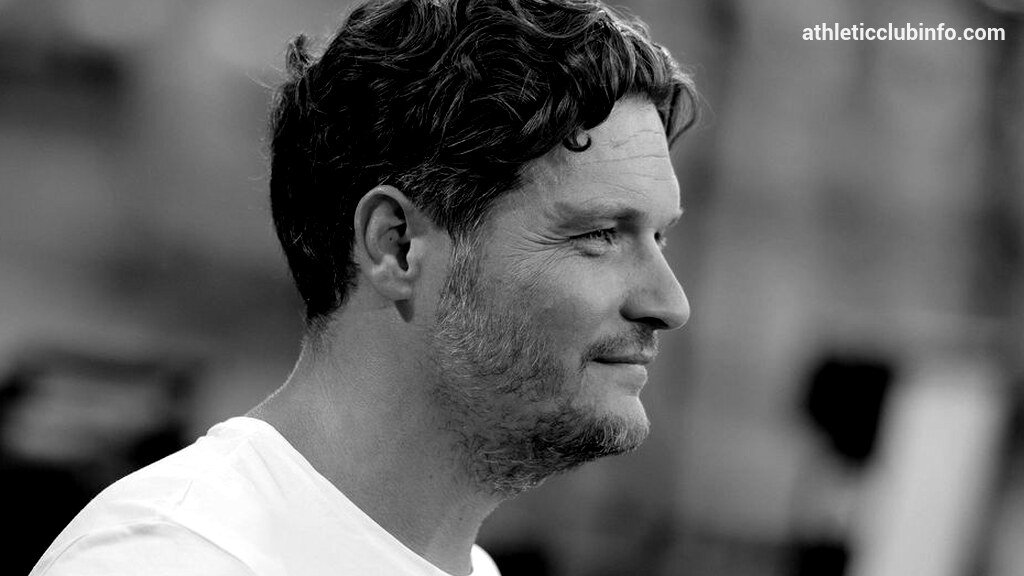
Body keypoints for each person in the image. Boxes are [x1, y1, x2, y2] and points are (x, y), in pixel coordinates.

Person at [29, 0, 697, 574]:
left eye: (660, 238)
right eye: (600, 234)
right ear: (396, 245)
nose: (669, 304)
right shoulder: (175, 558)